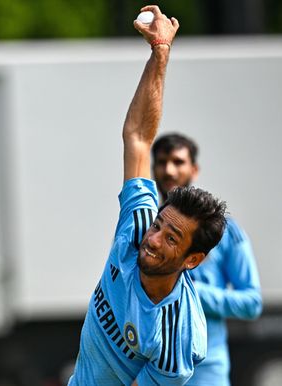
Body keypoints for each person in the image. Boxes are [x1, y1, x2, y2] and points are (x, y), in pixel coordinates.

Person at [67, 5, 227, 385]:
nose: (152, 240)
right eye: (159, 225)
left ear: (193, 260)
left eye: (171, 239)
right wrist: (160, 51)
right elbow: (138, 136)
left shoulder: (179, 335)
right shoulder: (137, 226)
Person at [151, 133, 263, 385]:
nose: (169, 170)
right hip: (152, 367)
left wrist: (190, 291)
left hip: (206, 370)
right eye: (162, 162)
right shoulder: (146, 229)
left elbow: (251, 302)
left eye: (178, 162)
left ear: (194, 169)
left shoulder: (225, 232)